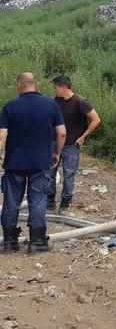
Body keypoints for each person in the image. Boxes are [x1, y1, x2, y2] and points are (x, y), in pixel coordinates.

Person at [0, 73, 66, 252]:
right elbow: (61, 133)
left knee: (11, 202)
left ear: (19, 85)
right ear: (34, 85)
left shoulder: (10, 107)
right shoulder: (51, 105)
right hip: (41, 162)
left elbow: (2, 136)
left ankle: (9, 242)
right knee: (38, 200)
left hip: (14, 163)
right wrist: (56, 153)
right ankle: (37, 242)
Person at [49, 75, 100, 211]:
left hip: (71, 144)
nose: (54, 90)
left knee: (69, 174)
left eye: (56, 87)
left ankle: (65, 202)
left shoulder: (80, 101)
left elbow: (96, 119)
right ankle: (50, 201)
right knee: (49, 172)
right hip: (54, 143)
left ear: (63, 87)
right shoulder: (55, 101)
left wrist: (83, 136)